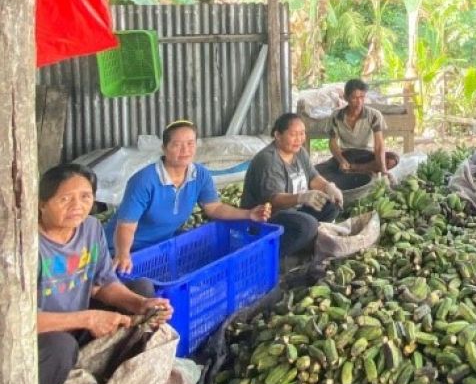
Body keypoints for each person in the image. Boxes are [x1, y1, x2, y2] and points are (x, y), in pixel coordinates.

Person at [37, 164, 174, 384]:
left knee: (142, 289)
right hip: (42, 339)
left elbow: (103, 285)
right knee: (61, 347)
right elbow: (16, 323)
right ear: (42, 204)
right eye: (65, 199)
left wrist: (141, 304)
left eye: (85, 197)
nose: (77, 206)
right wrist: (88, 319)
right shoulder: (27, 245)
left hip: (79, 328)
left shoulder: (89, 228)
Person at [108, 120, 270, 276]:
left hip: (162, 244)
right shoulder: (145, 180)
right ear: (164, 148)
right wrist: (123, 254)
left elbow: (214, 208)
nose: (185, 150)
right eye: (177, 145)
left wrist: (248, 214)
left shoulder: (200, 175)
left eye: (190, 143)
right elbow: (126, 226)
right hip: (127, 250)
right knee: (144, 288)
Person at [241, 113, 343, 258]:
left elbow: (313, 177)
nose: (299, 139)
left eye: (302, 134)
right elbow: (273, 199)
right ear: (278, 135)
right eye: (293, 134)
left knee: (331, 205)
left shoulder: (299, 152)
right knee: (308, 225)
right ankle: (269, 256)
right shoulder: (268, 160)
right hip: (264, 219)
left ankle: (300, 244)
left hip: (291, 212)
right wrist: (301, 197)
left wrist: (329, 187)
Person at [315, 78, 399, 182]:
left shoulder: (374, 115)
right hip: (347, 154)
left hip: (367, 155)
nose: (359, 101)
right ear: (346, 98)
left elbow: (379, 146)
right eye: (354, 98)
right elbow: (333, 143)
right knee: (316, 171)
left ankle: (353, 169)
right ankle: (354, 169)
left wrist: (383, 170)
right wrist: (341, 160)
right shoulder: (336, 116)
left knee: (392, 159)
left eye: (362, 97)